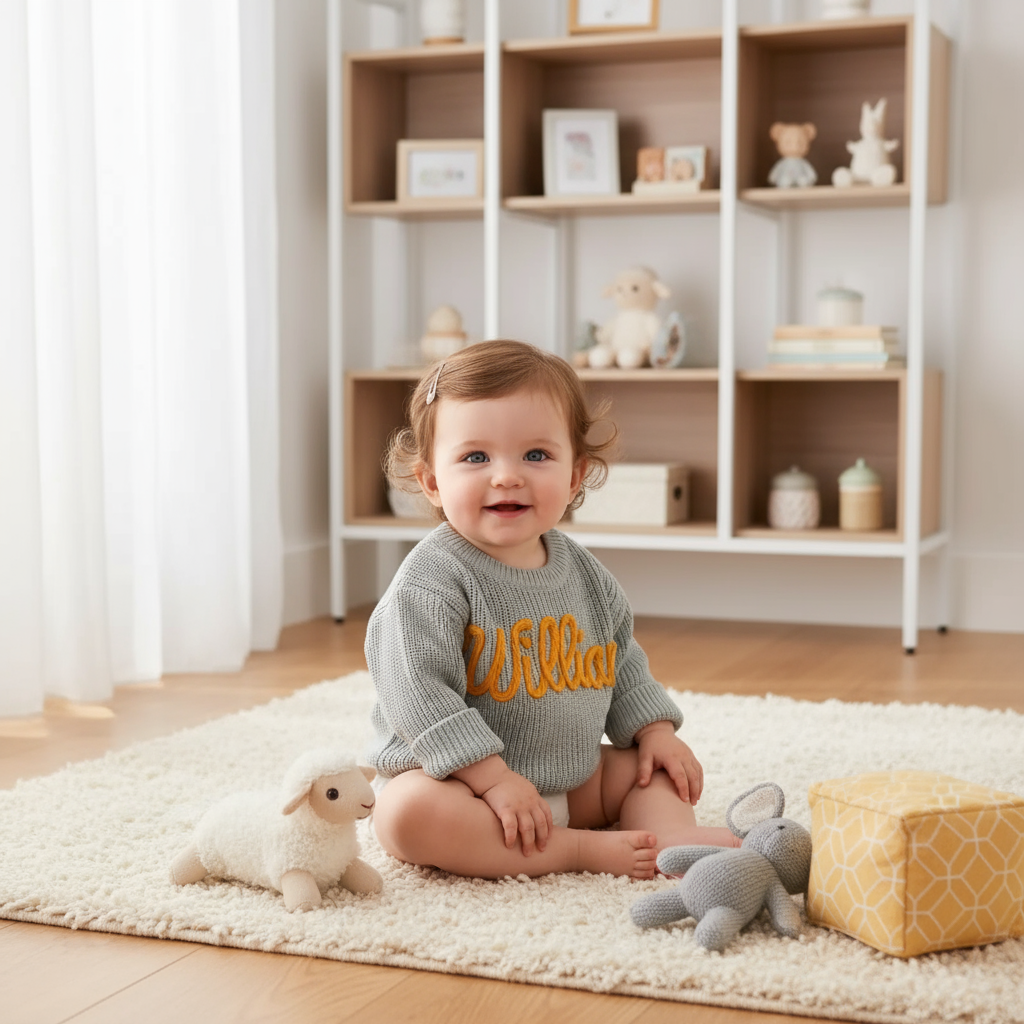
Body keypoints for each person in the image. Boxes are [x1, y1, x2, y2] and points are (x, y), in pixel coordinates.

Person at [366, 340, 739, 880]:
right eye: (475, 457)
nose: (506, 476)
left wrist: (656, 731)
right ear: (431, 482)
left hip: (572, 778)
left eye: (535, 455)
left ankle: (670, 839)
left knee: (649, 770)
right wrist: (492, 779)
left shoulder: (584, 574)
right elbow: (419, 697)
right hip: (462, 786)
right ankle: (575, 851)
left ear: (573, 475)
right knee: (405, 815)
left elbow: (620, 661)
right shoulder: (430, 582)